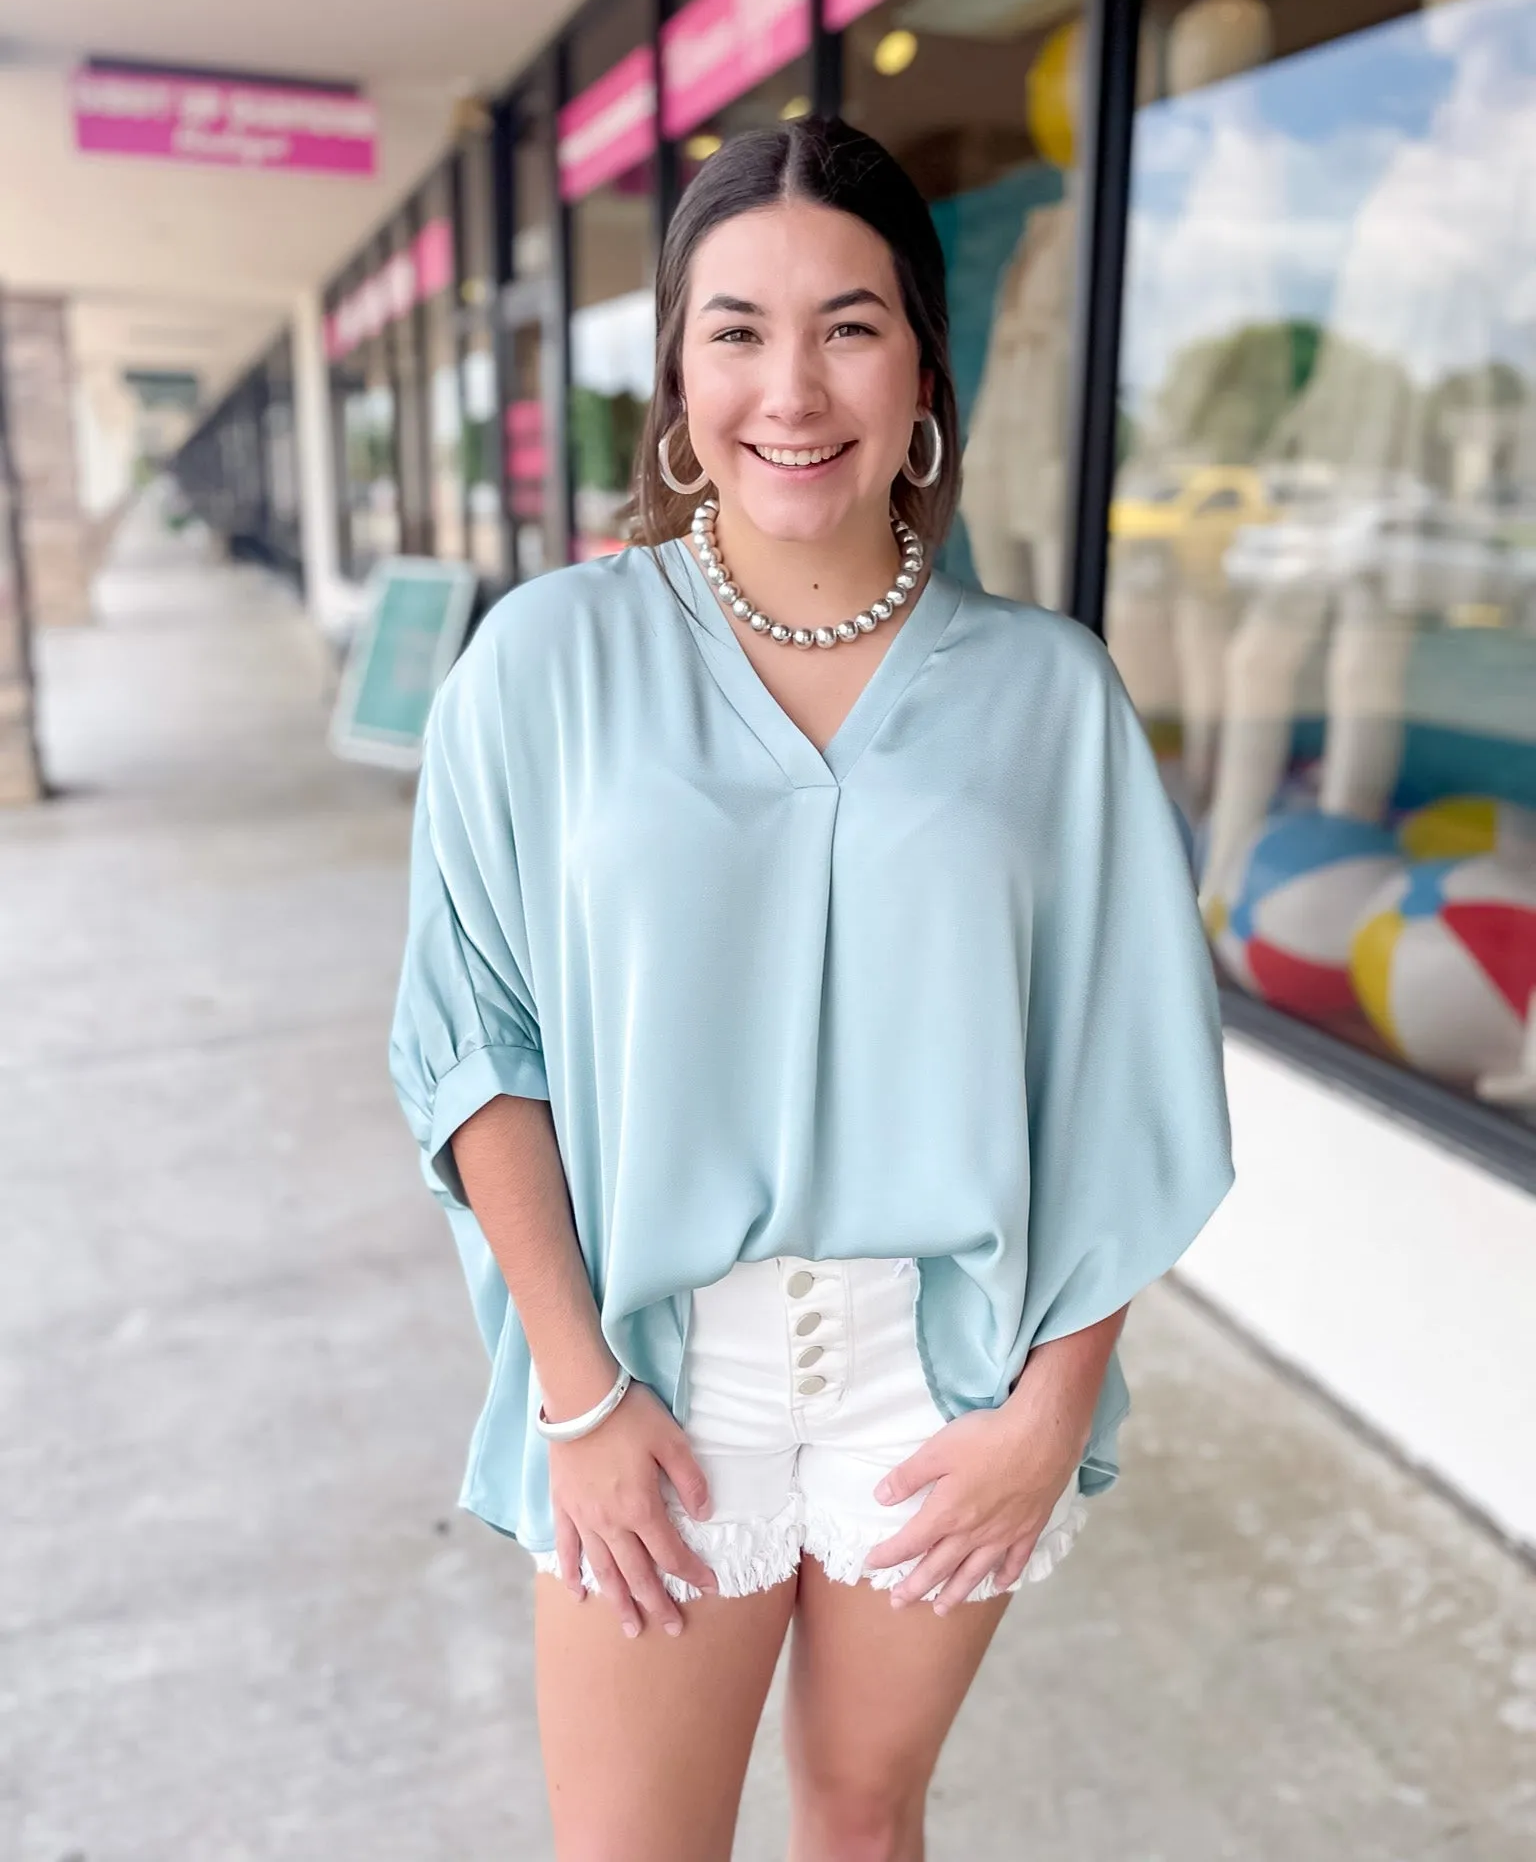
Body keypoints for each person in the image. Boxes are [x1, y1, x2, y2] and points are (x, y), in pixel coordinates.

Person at [389, 117, 1234, 1862]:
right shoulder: (546, 662)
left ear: (924, 360)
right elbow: (473, 1046)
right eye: (737, 329)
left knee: (864, 1820)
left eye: (849, 324)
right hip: (650, 1377)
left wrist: (1049, 1412)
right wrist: (577, 1394)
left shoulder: (1050, 697)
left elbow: (1120, 1084)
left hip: (941, 1387)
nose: (794, 387)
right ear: (678, 374)